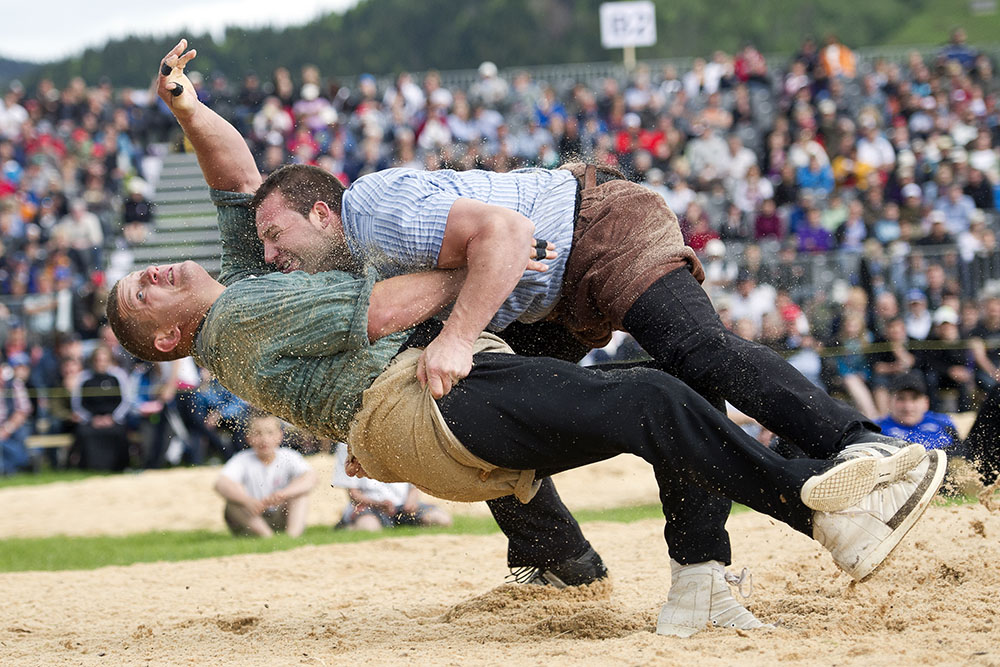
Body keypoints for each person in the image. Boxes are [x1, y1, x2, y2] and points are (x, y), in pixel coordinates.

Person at [111, 42, 938, 637]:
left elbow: (236, 176)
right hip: (419, 404)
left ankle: (603, 567)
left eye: (138, 274)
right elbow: (388, 315)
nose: (146, 276)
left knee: (649, 388)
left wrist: (187, 107)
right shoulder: (240, 315)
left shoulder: (250, 279)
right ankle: (830, 507)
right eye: (138, 299)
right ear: (173, 336)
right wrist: (485, 278)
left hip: (420, 408)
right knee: (644, 387)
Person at [214, 411, 317, 538]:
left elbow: (311, 478)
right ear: (248, 437)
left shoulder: (289, 456)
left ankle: (292, 536)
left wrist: (284, 493)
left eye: (270, 433)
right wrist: (247, 501)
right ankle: (266, 536)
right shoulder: (241, 460)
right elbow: (221, 484)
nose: (264, 439)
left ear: (280, 435)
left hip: (280, 513)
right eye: (257, 433)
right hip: (252, 515)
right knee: (233, 503)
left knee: (300, 496)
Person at [331, 442, 452, 532]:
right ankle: (347, 527)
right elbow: (353, 494)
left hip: (403, 506)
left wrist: (411, 500)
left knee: (442, 520)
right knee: (369, 528)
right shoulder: (349, 444)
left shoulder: (403, 440)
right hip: (369, 507)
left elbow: (415, 482)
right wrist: (379, 504)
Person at [874, 372, 960, 452]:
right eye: (901, 398)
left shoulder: (944, 424)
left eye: (914, 398)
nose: (908, 407)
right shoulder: (874, 429)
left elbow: (961, 456)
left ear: (926, 402)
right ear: (889, 402)